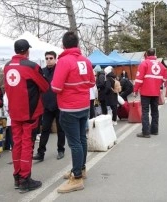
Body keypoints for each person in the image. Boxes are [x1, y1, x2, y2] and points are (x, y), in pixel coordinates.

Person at [51, 31, 95, 193]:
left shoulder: (63, 61)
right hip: (84, 105)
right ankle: (81, 168)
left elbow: (56, 87)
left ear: (63, 45)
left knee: (75, 142)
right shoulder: (85, 60)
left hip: (69, 108)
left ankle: (76, 177)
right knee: (82, 139)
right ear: (77, 44)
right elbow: (91, 82)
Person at [4, 39, 49, 193]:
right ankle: (25, 179)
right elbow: (44, 86)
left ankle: (17, 176)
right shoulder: (31, 66)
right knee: (27, 145)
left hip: (14, 112)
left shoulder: (7, 66)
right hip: (29, 112)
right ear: (26, 51)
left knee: (16, 144)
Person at [33, 51, 65, 162]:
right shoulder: (42, 71)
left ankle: (61, 149)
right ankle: (40, 152)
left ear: (55, 59)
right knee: (45, 129)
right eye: (47, 58)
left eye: (51, 58)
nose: (49, 60)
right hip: (46, 105)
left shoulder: (59, 70)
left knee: (61, 129)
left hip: (59, 105)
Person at [133, 48, 167, 138]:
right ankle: (155, 130)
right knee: (155, 111)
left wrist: (135, 90)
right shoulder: (160, 65)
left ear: (147, 55)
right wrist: (159, 84)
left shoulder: (144, 63)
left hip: (145, 92)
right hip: (155, 92)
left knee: (145, 111)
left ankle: (146, 132)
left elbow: (139, 79)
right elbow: (165, 76)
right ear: (154, 54)